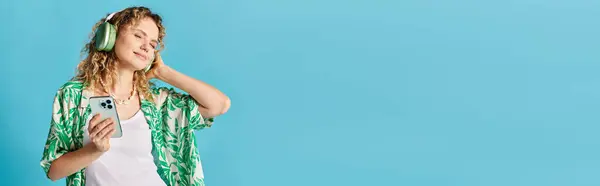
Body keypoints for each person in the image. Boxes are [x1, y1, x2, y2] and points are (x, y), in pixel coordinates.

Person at [39, 6, 231, 186]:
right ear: (110, 37)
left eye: (153, 44)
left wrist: (163, 72)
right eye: (139, 36)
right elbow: (54, 171)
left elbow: (219, 105)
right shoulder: (73, 96)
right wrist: (94, 150)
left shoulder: (156, 102)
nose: (147, 47)